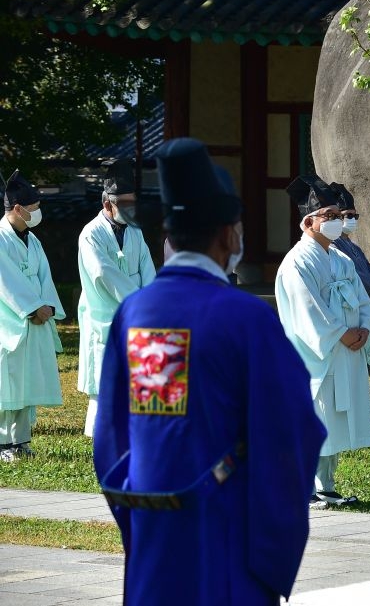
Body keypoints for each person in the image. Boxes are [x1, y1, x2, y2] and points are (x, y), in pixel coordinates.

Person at [93, 138, 325, 605]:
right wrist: (273, 557)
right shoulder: (247, 318)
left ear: (169, 237)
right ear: (228, 235)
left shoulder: (134, 313)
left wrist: (146, 518)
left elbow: (110, 441)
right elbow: (292, 436)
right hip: (228, 549)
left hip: (153, 550)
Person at [276, 175, 370, 508]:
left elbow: (363, 300)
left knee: (333, 419)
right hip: (314, 355)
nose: (336, 222)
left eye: (338, 216)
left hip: (345, 351)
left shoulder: (341, 258)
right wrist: (342, 333)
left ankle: (327, 484)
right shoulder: (297, 261)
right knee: (314, 418)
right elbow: (308, 310)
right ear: (308, 222)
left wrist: (363, 329)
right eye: (329, 217)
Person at [77, 161, 155, 437]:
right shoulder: (91, 234)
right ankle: (98, 433)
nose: (130, 208)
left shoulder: (135, 230)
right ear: (107, 204)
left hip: (136, 312)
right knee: (103, 377)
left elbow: (146, 266)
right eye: (124, 203)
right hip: (104, 313)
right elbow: (102, 273)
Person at [0, 170, 65, 462]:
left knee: (26, 382)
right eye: (34, 208)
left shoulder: (33, 240)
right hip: (9, 320)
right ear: (17, 208)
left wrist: (48, 305)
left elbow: (44, 276)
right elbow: (6, 281)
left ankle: (21, 441)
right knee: (8, 382)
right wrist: (31, 307)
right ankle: (3, 444)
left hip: (34, 319)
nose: (38, 213)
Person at [330, 182, 370, 370]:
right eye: (348, 216)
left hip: (366, 315)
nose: (353, 220)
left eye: (355, 216)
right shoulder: (333, 246)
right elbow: (351, 277)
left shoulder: (354, 247)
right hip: (350, 319)